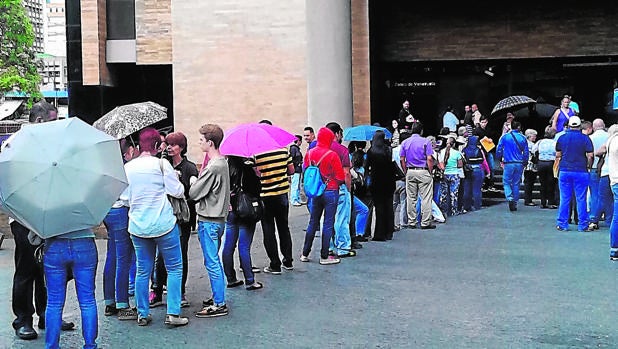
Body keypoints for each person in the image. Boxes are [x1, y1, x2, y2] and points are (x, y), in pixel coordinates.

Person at [7, 100, 75, 341]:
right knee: (26, 269)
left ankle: (48, 313)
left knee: (48, 267)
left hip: (48, 214)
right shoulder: (16, 145)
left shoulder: (49, 146)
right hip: (25, 217)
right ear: (39, 121)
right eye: (52, 120)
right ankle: (23, 320)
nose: (55, 126)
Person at [120, 127, 188, 327]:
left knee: (143, 269)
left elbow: (124, 199)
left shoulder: (128, 168)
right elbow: (177, 191)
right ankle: (173, 313)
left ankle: (143, 312)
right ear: (157, 146)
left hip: (138, 226)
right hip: (164, 224)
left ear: (140, 146)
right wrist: (175, 178)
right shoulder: (161, 165)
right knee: (175, 267)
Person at [189, 124, 231, 317]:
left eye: (201, 140)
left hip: (209, 218)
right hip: (219, 218)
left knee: (212, 261)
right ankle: (218, 295)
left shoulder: (213, 167)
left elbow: (194, 193)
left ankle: (220, 303)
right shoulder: (223, 163)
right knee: (215, 260)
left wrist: (192, 182)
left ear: (210, 142)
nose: (199, 143)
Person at [102, 138, 138, 322]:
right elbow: (128, 196)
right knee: (124, 258)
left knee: (112, 256)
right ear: (129, 150)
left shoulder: (106, 164)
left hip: (107, 211)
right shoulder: (125, 167)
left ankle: (109, 301)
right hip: (121, 211)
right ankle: (123, 304)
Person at [254, 121, 296, 274]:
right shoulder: (283, 150)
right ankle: (288, 260)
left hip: (265, 196)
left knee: (268, 229)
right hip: (282, 194)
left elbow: (256, 175)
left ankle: (274, 264)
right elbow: (291, 171)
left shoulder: (256, 154)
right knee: (284, 227)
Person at [300, 127, 345, 264]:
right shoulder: (332, 155)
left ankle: (304, 253)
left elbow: (306, 171)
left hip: (315, 192)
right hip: (330, 190)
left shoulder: (309, 153)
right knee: (328, 223)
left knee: (313, 222)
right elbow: (340, 177)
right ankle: (324, 256)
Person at [165, 132, 199, 307]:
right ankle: (159, 286)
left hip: (183, 217)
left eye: (173, 144)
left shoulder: (190, 168)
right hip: (165, 214)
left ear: (182, 147)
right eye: (167, 144)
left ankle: (181, 291)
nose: (169, 147)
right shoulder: (163, 165)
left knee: (181, 252)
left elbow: (194, 192)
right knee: (161, 254)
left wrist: (180, 186)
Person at [222, 156, 264, 290]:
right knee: (244, 246)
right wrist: (257, 175)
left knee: (228, 245)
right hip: (246, 210)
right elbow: (256, 189)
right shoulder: (248, 167)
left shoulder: (225, 166)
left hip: (231, 210)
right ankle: (250, 280)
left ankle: (230, 278)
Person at [554, 116, 594, 232]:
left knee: (565, 198)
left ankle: (562, 224)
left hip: (565, 170)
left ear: (569, 125)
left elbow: (558, 154)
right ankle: (583, 225)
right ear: (580, 126)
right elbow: (590, 155)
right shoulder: (585, 138)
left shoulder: (562, 138)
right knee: (581, 199)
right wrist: (588, 166)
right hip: (581, 171)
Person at [399, 121, 436, 229]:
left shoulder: (405, 142)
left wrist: (405, 171)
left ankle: (412, 221)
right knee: (426, 197)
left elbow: (402, 159)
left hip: (410, 170)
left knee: (411, 197)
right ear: (421, 131)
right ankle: (425, 222)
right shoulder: (426, 141)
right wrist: (430, 171)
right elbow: (429, 158)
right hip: (423, 170)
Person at [366, 130, 396, 241]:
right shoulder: (388, 150)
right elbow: (392, 166)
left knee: (379, 208)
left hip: (376, 182)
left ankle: (379, 233)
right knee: (388, 206)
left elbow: (367, 167)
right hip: (389, 182)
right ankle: (389, 231)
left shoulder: (371, 151)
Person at [496, 121, 528, 212]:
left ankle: (509, 197)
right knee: (516, 183)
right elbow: (526, 152)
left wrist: (499, 158)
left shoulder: (505, 137)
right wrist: (525, 162)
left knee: (506, 182)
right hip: (519, 162)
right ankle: (515, 200)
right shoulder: (523, 138)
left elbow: (499, 149)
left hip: (508, 162)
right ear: (519, 127)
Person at [587, 119, 608, 229]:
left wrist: (588, 167)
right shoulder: (609, 137)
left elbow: (589, 155)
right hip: (607, 169)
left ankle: (593, 217)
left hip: (594, 168)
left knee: (594, 194)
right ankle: (609, 217)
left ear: (594, 127)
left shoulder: (590, 138)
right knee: (608, 195)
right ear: (604, 126)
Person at [532, 126, 558, 209]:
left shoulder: (540, 142)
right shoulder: (555, 143)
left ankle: (543, 202)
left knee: (543, 183)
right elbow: (557, 152)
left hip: (541, 163)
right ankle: (551, 202)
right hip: (551, 163)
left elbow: (533, 150)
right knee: (551, 183)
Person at [437, 136, 463, 217]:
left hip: (445, 174)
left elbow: (439, 164)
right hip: (454, 174)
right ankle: (454, 210)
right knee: (454, 194)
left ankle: (443, 211)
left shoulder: (441, 152)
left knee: (443, 194)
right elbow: (460, 165)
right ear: (454, 144)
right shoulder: (457, 153)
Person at [461, 135, 489, 212]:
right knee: (477, 190)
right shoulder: (479, 150)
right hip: (478, 170)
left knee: (467, 189)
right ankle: (477, 206)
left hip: (468, 170)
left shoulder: (464, 150)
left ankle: (467, 206)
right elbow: (483, 161)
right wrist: (488, 171)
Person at [523, 129, 539, 206]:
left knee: (528, 183)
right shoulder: (531, 145)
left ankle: (528, 199)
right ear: (529, 136)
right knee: (529, 183)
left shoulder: (525, 143)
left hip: (527, 167)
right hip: (530, 167)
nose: (535, 137)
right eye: (534, 135)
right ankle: (528, 200)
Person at [289, 135, 304, 206]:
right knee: (295, 185)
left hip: (298, 169)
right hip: (295, 170)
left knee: (297, 185)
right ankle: (293, 199)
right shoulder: (293, 149)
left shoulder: (296, 149)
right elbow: (291, 160)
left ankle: (297, 198)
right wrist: (297, 163)